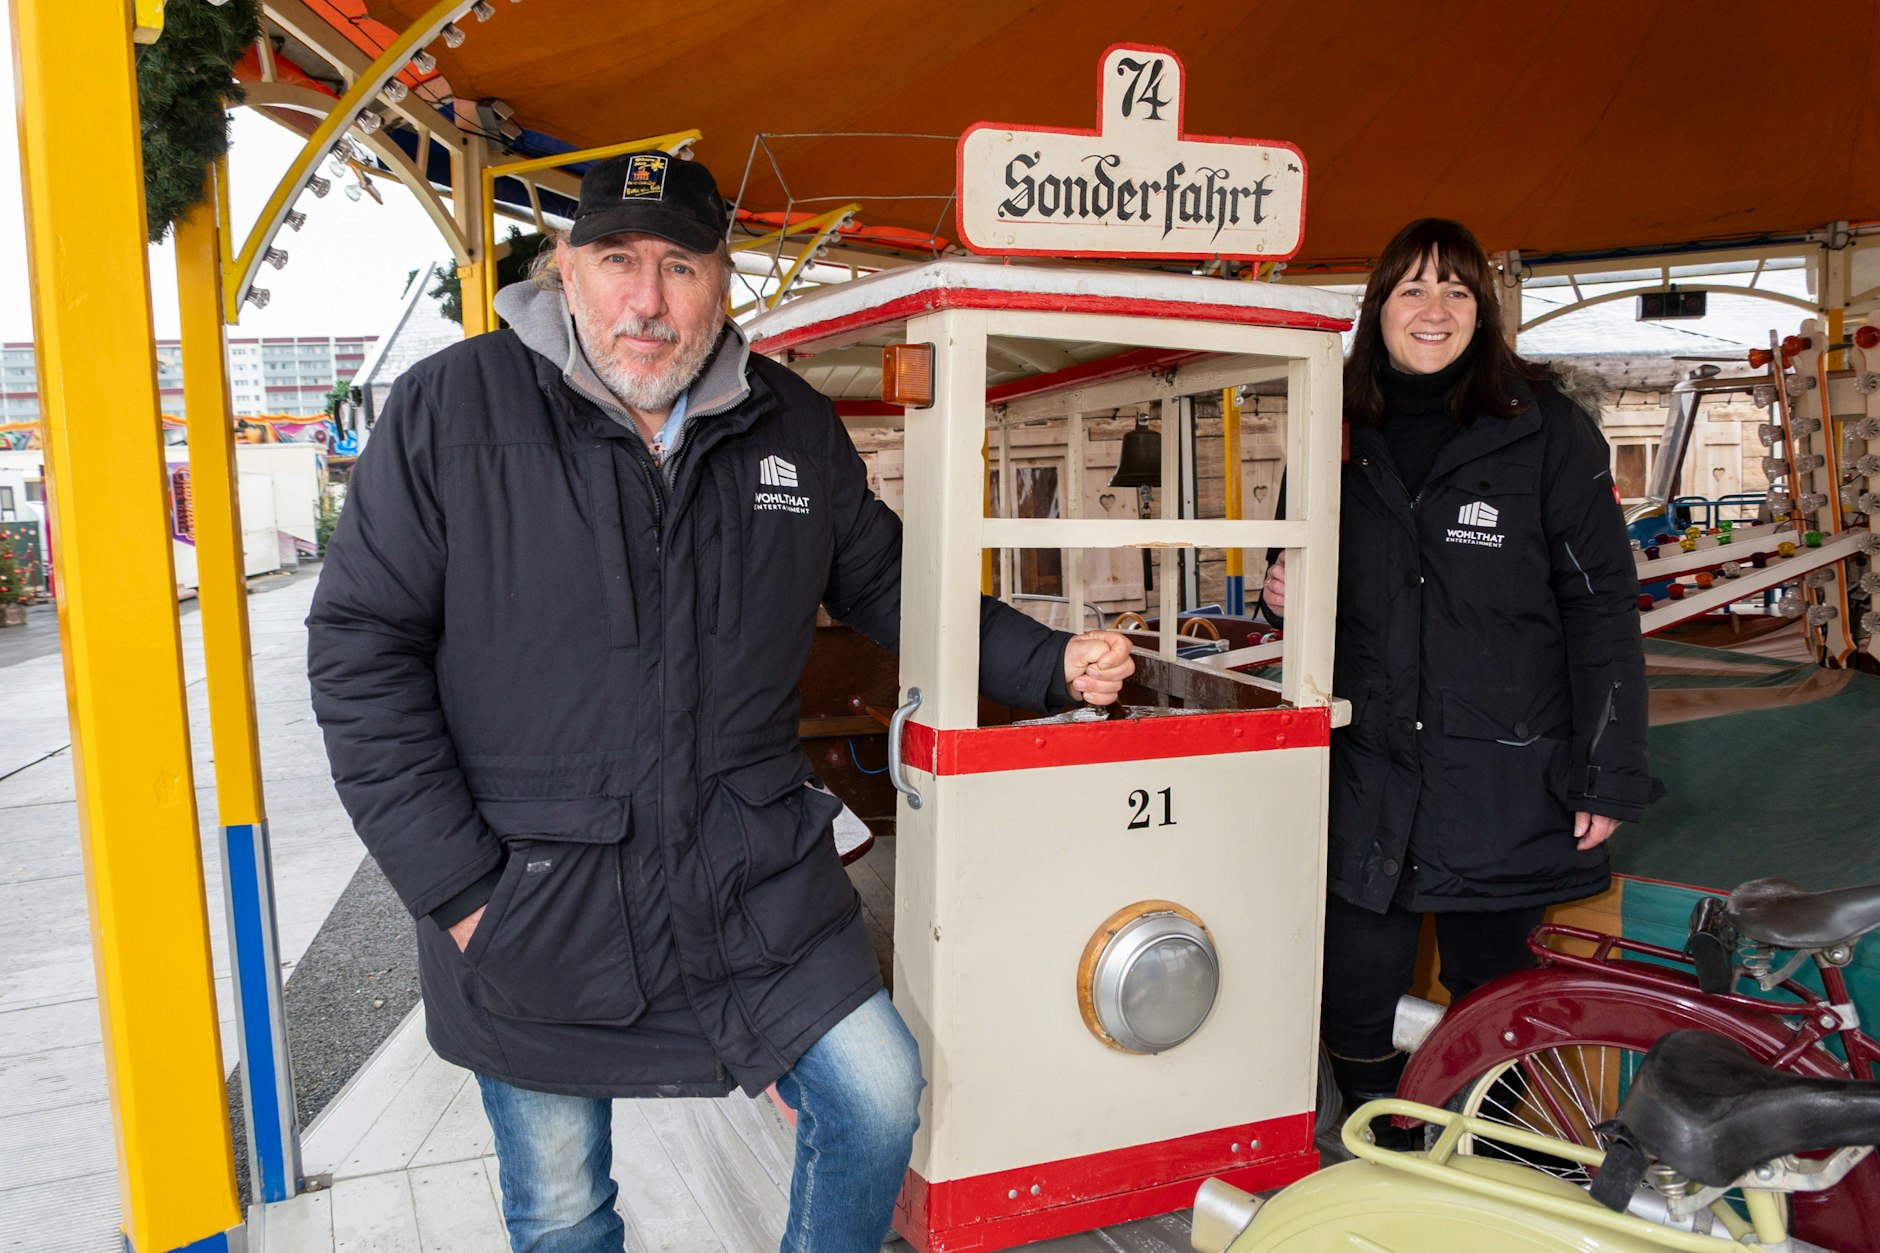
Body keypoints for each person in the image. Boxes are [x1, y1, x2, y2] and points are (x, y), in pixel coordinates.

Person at [306, 149, 1134, 1253]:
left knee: (878, 1091)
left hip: (748, 870)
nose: (646, 299)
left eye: (679, 266)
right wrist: (464, 893)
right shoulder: (449, 409)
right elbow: (361, 655)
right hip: (535, 886)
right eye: (616, 260)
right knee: (562, 1207)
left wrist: (1049, 661)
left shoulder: (786, 423)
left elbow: (897, 586)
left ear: (722, 280)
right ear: (565, 269)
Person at [1263, 218, 1656, 1115]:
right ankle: (1385, 1140)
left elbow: (1601, 607)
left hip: (1504, 776)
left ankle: (1494, 1156)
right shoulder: (1331, 427)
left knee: (1494, 995)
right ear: (1379, 309)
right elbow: (1296, 573)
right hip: (1367, 774)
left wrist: (1609, 773)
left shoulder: (1547, 430)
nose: (1433, 309)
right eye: (1412, 289)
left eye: (1457, 290)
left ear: (1483, 313)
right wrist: (1279, 594)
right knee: (1354, 996)